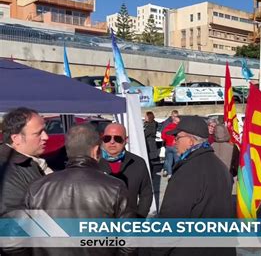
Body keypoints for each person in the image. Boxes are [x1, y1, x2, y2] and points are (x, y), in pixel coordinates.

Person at [25, 124, 134, 255]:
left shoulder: (38, 187)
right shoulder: (115, 187)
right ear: (95, 151)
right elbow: (129, 243)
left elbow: (16, 240)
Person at [159, 116, 235, 256]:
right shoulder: (220, 166)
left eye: (177, 137)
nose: (174, 142)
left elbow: (171, 221)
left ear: (190, 141)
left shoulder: (187, 171)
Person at [0, 107, 51, 216]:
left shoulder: (31, 162)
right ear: (16, 138)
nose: (46, 137)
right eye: (38, 133)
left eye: (45, 131)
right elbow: (12, 219)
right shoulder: (6, 171)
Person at [99, 123, 153, 218]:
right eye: (107, 138)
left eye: (117, 139)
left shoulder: (138, 162)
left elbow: (146, 193)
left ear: (125, 140)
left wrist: (139, 218)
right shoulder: (93, 163)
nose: (112, 142)